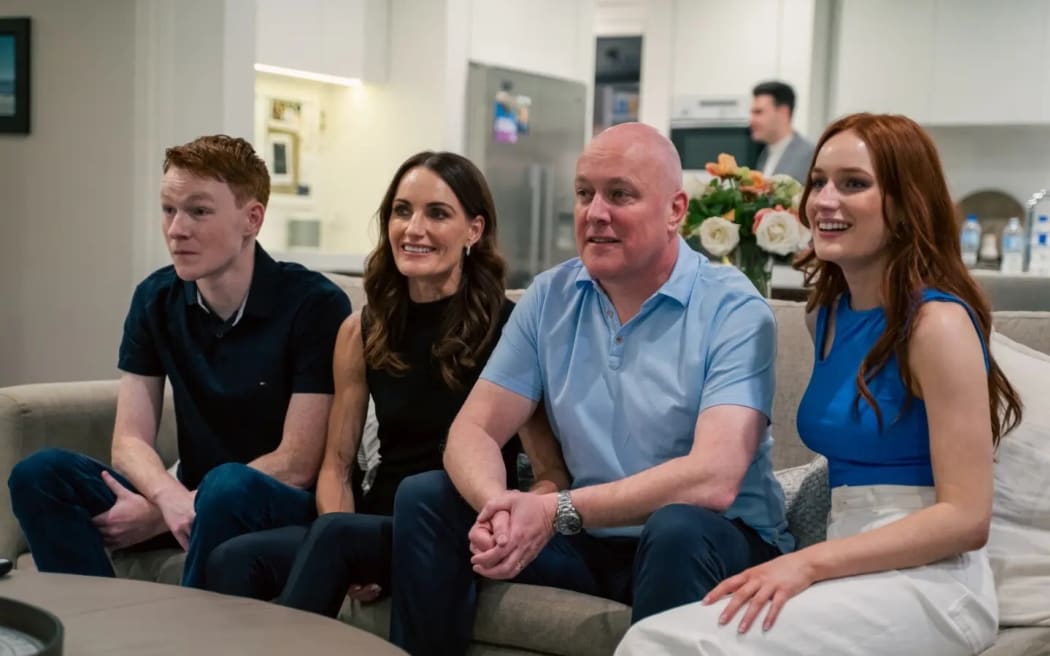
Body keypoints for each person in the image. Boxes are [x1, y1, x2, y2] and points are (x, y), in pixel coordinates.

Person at [616, 113, 1024, 656]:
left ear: (906, 202)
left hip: (932, 580)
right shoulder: (823, 317)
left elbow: (966, 518)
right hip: (847, 559)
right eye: (819, 181)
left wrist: (804, 563)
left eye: (853, 184)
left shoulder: (937, 326)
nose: (825, 200)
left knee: (662, 640)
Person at [389, 122, 794, 656]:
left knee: (678, 528)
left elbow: (713, 479)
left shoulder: (732, 308)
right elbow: (472, 431)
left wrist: (556, 511)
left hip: (713, 542)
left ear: (676, 211)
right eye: (584, 194)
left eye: (620, 194)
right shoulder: (551, 296)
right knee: (427, 496)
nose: (595, 212)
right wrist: (502, 510)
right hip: (589, 543)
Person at [204, 151, 554, 614]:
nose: (413, 229)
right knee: (234, 558)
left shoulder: (512, 330)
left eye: (438, 214)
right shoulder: (361, 330)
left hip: (448, 526)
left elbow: (551, 476)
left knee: (337, 538)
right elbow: (337, 464)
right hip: (371, 522)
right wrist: (342, 532)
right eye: (401, 211)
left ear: (474, 230)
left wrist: (510, 528)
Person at [7, 135, 351, 589]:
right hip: (191, 497)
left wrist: (163, 512)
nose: (176, 229)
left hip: (271, 500)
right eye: (169, 209)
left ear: (252, 219)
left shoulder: (315, 304)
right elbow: (129, 440)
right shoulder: (155, 298)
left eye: (199, 211)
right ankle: (97, 627)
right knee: (39, 475)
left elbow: (297, 462)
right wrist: (168, 499)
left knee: (228, 485)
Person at [750, 81, 815, 182]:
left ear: (783, 112)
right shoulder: (764, 154)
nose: (751, 120)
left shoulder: (809, 156)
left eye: (759, 112)